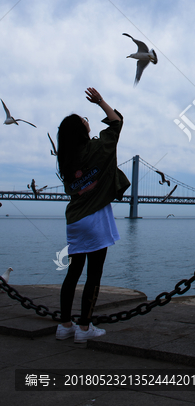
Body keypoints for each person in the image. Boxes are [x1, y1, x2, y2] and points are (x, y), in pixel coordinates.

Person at [55, 88, 130, 343]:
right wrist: (100, 102)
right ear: (82, 130)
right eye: (84, 120)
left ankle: (65, 325)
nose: (88, 121)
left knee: (73, 272)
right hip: (96, 219)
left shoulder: (66, 160)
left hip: (75, 220)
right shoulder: (98, 149)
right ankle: (85, 328)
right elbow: (117, 122)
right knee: (94, 274)